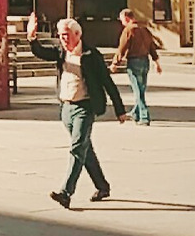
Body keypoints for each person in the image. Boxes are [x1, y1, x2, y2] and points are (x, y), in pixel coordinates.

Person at [28, 13, 128, 209]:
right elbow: (41, 52)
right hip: (66, 108)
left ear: (77, 34)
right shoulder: (60, 52)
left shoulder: (91, 55)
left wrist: (120, 109)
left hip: (85, 107)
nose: (63, 39)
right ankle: (102, 186)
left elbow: (107, 82)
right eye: (60, 36)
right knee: (85, 149)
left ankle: (66, 193)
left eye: (66, 35)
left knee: (77, 148)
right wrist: (32, 37)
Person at [111, 8, 162, 125]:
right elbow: (152, 47)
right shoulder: (144, 29)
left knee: (138, 90)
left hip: (134, 62)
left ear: (126, 18)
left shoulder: (128, 30)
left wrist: (115, 63)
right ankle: (135, 113)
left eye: (122, 20)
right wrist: (157, 63)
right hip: (145, 61)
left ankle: (144, 117)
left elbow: (122, 48)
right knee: (141, 89)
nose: (121, 22)